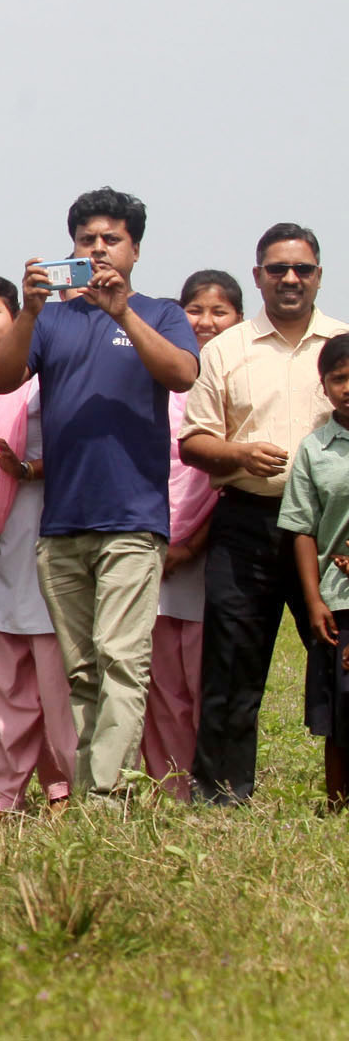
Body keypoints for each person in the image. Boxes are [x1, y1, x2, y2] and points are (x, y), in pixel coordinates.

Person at [0, 188, 199, 805]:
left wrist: (121, 311)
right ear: (70, 248)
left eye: (112, 240)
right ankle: (94, 791)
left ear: (135, 249)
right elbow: (1, 380)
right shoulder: (50, 319)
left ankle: (103, 801)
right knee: (80, 670)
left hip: (133, 519)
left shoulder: (159, 313)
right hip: (63, 521)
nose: (99, 250)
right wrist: (27, 310)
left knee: (122, 659)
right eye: (87, 241)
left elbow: (183, 373)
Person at [179, 225, 344, 804]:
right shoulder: (227, 349)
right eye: (277, 269)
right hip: (247, 520)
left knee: (343, 658)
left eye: (301, 268)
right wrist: (239, 453)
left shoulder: (344, 343)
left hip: (331, 534)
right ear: (258, 277)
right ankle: (221, 794)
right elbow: (193, 443)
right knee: (231, 663)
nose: (290, 279)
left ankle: (341, 792)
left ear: (319, 274)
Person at [0, 276, 74, 816]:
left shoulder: (43, 376)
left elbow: (78, 453)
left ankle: (65, 790)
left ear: (18, 318)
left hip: (48, 534)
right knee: (3, 686)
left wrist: (26, 470)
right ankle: (4, 795)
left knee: (56, 687)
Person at [143, 270, 239, 800]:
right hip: (151, 545)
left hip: (208, 552)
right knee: (159, 684)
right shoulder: (160, 378)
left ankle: (210, 780)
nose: (205, 322)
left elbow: (229, 480)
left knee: (207, 674)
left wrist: (190, 544)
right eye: (194, 311)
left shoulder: (236, 385)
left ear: (238, 321)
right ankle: (166, 783)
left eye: (218, 311)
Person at [285, 334, 349, 810]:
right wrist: (313, 600)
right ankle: (336, 802)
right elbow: (303, 527)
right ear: (325, 386)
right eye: (339, 378)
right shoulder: (315, 449)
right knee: (341, 705)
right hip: (339, 598)